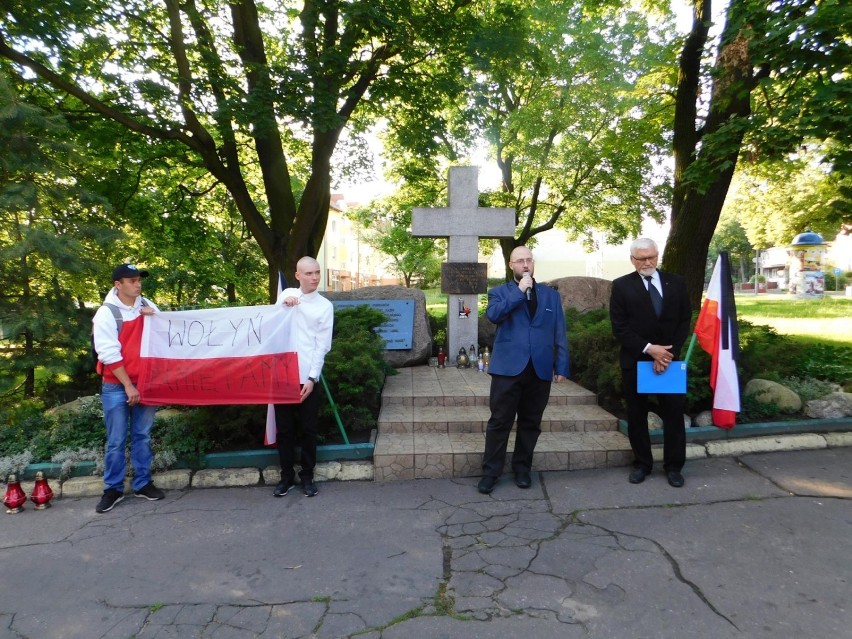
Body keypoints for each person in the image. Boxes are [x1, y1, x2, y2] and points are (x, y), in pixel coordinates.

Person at [478, 246, 569, 494]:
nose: (526, 265)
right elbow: (494, 315)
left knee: (531, 422)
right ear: (511, 265)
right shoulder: (499, 293)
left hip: (539, 369)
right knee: (500, 421)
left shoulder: (550, 295)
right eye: (520, 261)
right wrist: (519, 292)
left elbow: (559, 330)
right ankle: (491, 472)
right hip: (508, 369)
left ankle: (522, 469)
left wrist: (561, 364)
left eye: (529, 260)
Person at [609, 238, 692, 488]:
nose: (648, 262)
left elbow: (684, 321)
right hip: (636, 360)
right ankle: (642, 464)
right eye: (642, 258)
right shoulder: (622, 286)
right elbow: (620, 327)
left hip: (669, 361)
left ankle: (674, 467)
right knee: (636, 416)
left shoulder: (676, 283)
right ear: (633, 260)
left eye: (652, 257)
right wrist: (649, 350)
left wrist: (666, 355)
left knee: (674, 415)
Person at [92, 264, 165, 513]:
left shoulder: (148, 305)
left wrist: (155, 316)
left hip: (146, 382)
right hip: (117, 385)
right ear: (118, 285)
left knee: (142, 435)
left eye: (139, 280)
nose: (138, 284)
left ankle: (143, 483)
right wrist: (129, 386)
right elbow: (108, 353)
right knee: (116, 440)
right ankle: (112, 489)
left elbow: (165, 334)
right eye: (132, 281)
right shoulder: (106, 314)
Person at [273, 256, 334, 498]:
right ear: (298, 275)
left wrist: (312, 378)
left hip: (307, 376)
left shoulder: (325, 306)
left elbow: (322, 345)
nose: (315, 277)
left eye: (317, 272)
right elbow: (271, 322)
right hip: (282, 375)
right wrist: (283, 305)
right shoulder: (286, 294)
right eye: (309, 273)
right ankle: (286, 477)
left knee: (309, 429)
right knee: (285, 430)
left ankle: (307, 476)